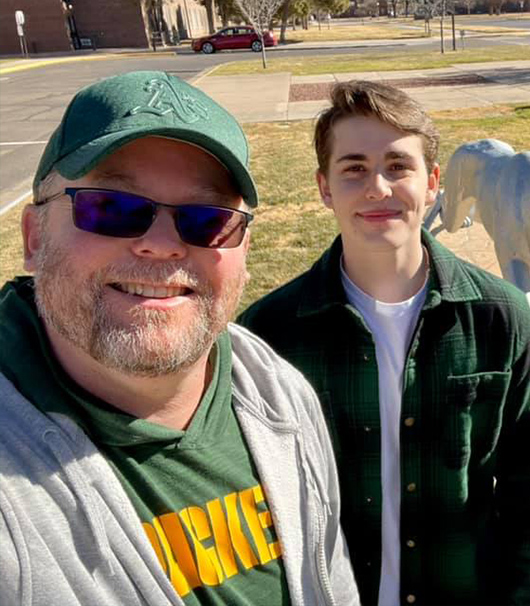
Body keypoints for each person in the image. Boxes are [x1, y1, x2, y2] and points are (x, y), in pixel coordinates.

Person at [0, 71, 358, 606]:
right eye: (111, 208)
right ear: (34, 238)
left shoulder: (279, 392)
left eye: (206, 219)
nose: (163, 245)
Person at [239, 81, 530, 606]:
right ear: (324, 187)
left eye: (397, 166)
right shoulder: (270, 334)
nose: (378, 187)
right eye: (354, 168)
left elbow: (529, 494)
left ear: (433, 183)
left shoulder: (500, 318)